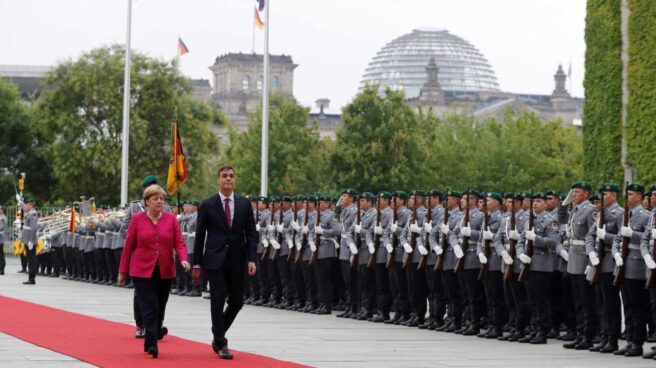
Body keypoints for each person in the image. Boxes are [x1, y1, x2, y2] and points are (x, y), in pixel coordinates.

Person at [192, 165, 257, 360]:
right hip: (215, 260)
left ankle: (217, 329)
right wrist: (197, 263)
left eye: (231, 176)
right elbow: (200, 235)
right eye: (224, 176)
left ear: (235, 180)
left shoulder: (245, 204)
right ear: (218, 180)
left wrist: (252, 258)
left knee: (237, 302)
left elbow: (251, 234)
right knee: (217, 300)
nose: (228, 179)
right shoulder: (208, 204)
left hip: (237, 259)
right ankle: (221, 342)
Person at [118, 184, 190, 358]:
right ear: (147, 201)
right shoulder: (137, 219)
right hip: (142, 271)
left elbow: (179, 242)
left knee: (161, 305)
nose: (160, 201)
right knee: (150, 305)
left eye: (161, 198)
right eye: (155, 198)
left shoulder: (171, 219)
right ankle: (152, 344)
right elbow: (128, 247)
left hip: (165, 269)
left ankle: (152, 333)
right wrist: (122, 271)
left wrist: (184, 259)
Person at [0, 206, 6, 275]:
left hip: (0, 237)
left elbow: (1, 227)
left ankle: (2, 268)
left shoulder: (3, 218)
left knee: (1, 253)